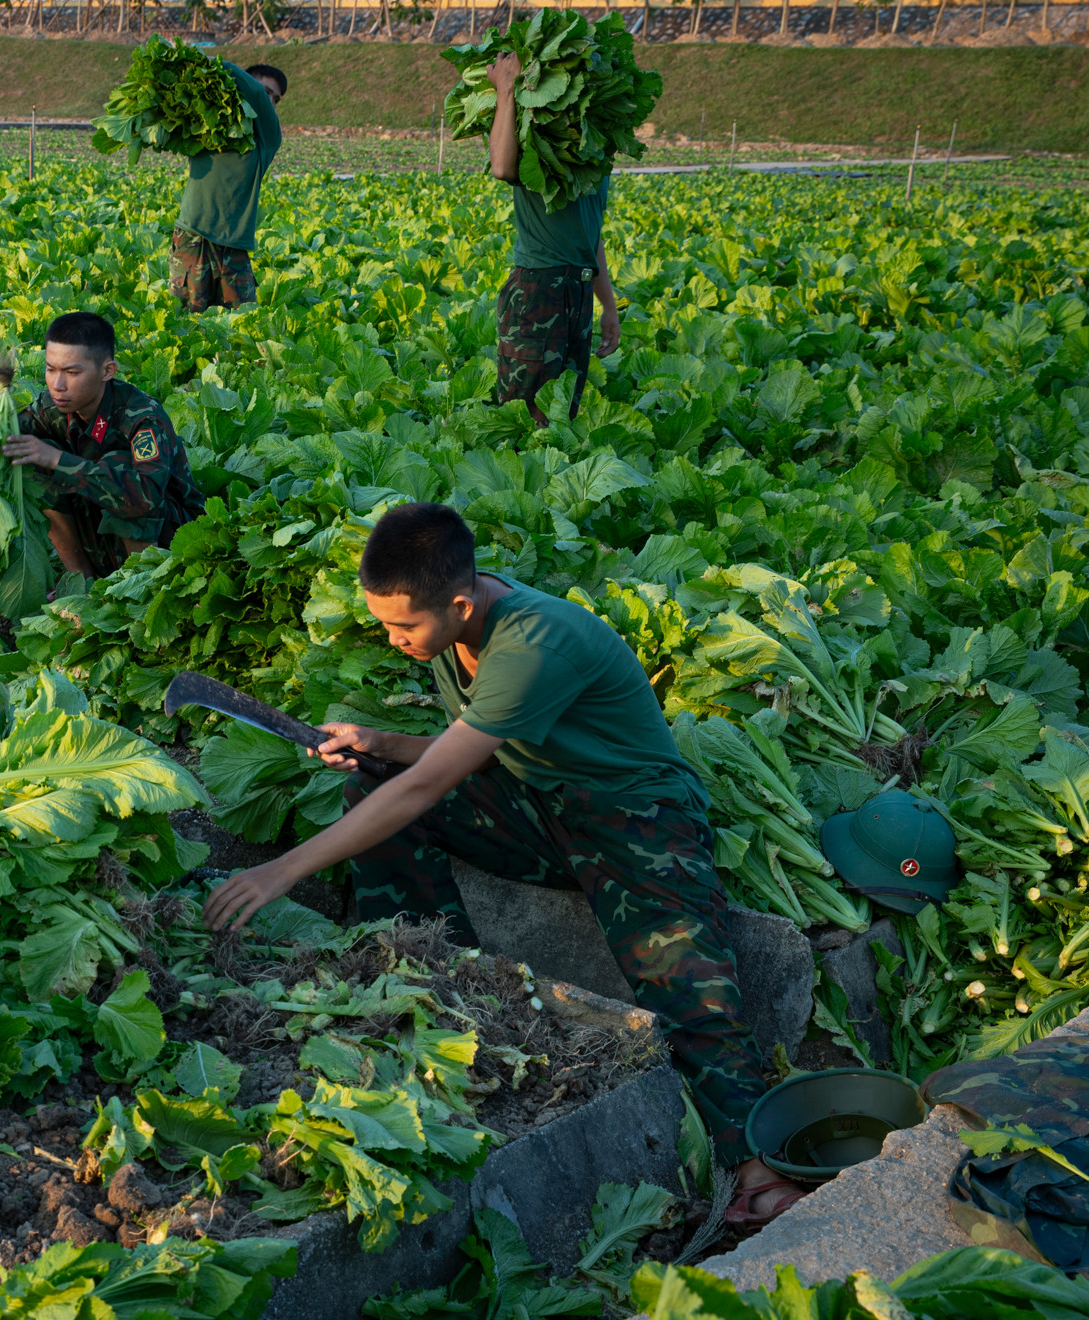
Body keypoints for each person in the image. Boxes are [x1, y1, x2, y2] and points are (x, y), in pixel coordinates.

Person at [201, 503, 804, 1234]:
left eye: (403, 627)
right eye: (383, 624)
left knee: (683, 981)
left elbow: (429, 785)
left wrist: (282, 871)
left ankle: (761, 1165)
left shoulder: (532, 643)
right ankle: (435, 978)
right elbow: (472, 751)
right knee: (372, 782)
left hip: (636, 820)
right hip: (541, 804)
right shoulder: (458, 625)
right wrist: (380, 744)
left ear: (458, 603)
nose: (393, 641)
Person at [0, 311, 205, 582]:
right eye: (50, 369)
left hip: (172, 545)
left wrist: (58, 460)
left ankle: (144, 585)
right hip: (100, 540)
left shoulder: (140, 416)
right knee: (30, 458)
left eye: (72, 372)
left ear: (107, 371)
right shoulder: (51, 407)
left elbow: (144, 498)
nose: (58, 385)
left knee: (115, 467)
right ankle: (81, 582)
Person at [485, 52, 621, 423]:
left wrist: (608, 307)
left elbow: (591, 237)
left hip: (579, 292)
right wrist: (506, 90)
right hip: (538, 291)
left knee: (563, 417)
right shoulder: (539, 143)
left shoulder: (595, 160)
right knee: (525, 417)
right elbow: (501, 167)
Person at [170, 62, 284, 313]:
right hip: (192, 237)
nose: (270, 103)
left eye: (276, 99)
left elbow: (255, 95)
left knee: (243, 322)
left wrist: (215, 62)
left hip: (234, 247)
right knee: (187, 321)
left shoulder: (267, 139)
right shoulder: (209, 122)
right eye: (267, 93)